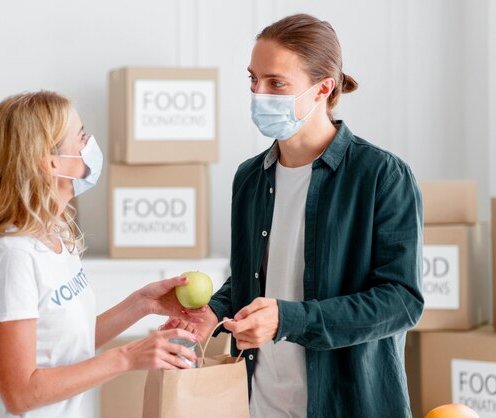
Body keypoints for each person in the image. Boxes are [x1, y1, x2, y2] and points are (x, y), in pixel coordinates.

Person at [164, 13, 423, 418]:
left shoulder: (381, 176)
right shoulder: (249, 178)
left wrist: (290, 319)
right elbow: (254, 277)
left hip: (349, 404)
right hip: (259, 401)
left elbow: (402, 301)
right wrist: (213, 311)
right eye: (253, 79)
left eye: (276, 83)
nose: (258, 93)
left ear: (323, 88)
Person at [0, 91, 203, 417]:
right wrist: (127, 357)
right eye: (81, 137)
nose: (89, 146)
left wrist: (144, 303)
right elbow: (20, 393)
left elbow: (67, 346)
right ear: (50, 161)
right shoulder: (12, 258)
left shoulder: (54, 233)